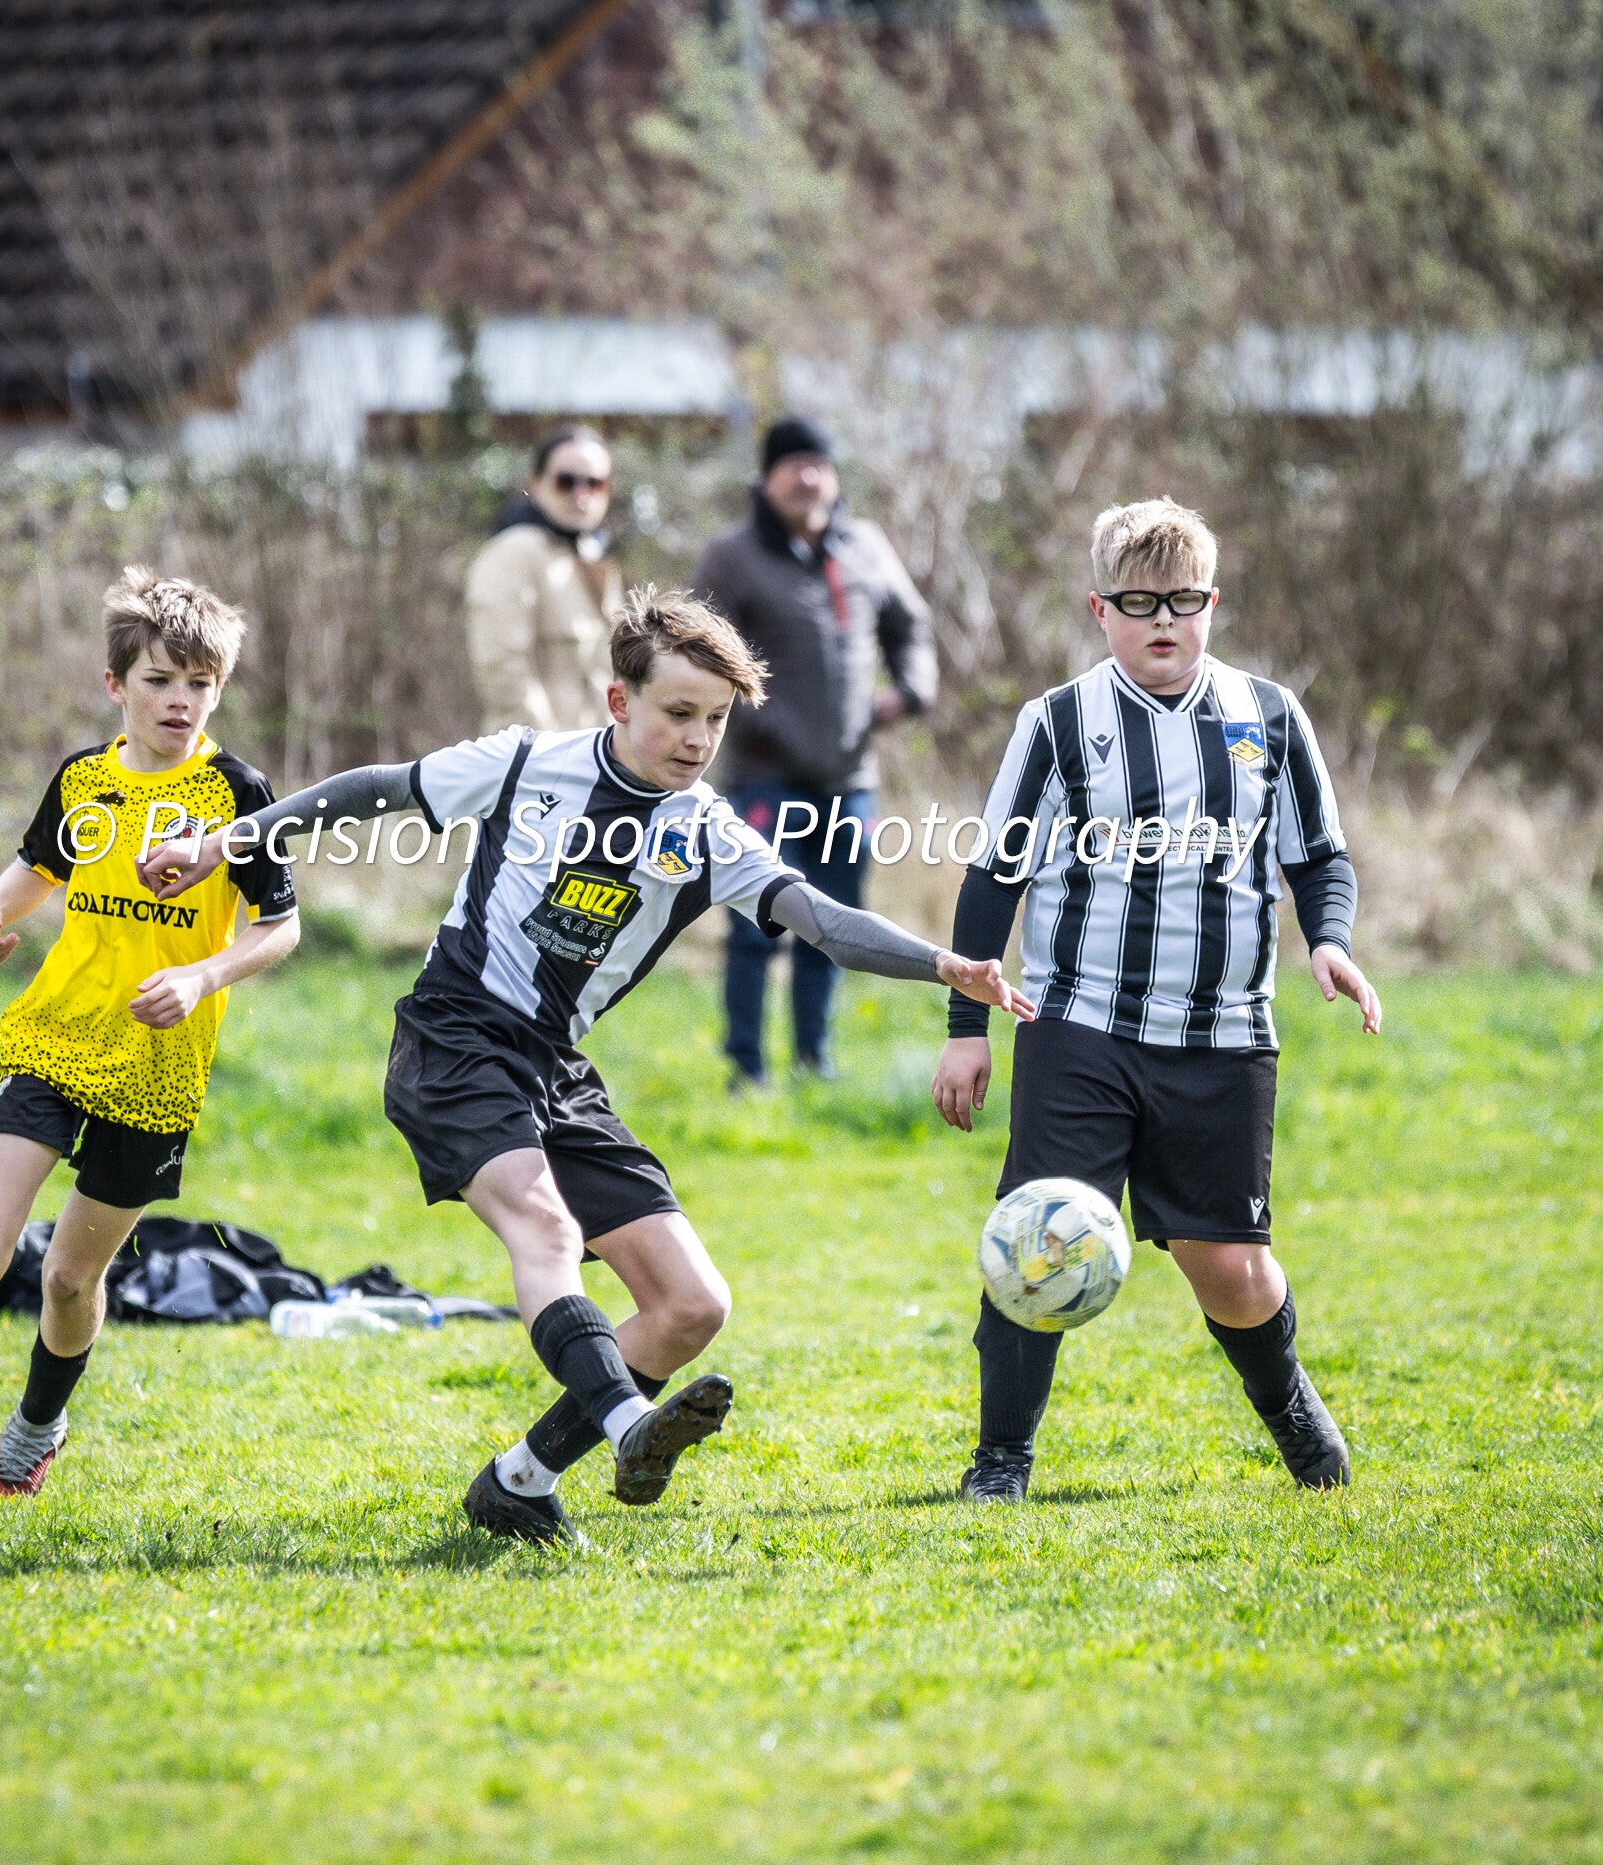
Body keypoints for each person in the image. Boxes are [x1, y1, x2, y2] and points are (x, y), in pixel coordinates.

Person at [137, 586, 1030, 1547]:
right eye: (677, 713)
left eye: (716, 721)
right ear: (619, 703)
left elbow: (820, 920)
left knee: (692, 1306)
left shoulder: (706, 832)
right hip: (456, 1037)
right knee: (545, 1227)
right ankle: (628, 1425)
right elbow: (371, 790)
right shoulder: (525, 764)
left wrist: (941, 963)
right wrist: (222, 842)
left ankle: (518, 1484)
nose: (697, 739)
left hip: (555, 1068)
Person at [0, 570, 300, 1503]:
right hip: (51, 1039)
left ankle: (36, 1429)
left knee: (72, 1281)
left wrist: (202, 975)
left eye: (201, 684)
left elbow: (280, 926)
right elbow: (39, 865)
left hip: (159, 1067)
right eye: (161, 680)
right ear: (117, 685)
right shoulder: (84, 778)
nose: (181, 701)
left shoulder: (239, 794)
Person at [931, 497, 1381, 1502]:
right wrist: (967, 1028)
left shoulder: (1268, 716)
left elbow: (1317, 857)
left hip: (1220, 1036)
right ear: (1100, 608)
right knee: (1034, 1239)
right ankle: (999, 1459)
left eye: (1182, 599)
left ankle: (1297, 1417)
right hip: (1075, 1023)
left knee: (1228, 1267)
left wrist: (1331, 942)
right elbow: (991, 875)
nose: (1162, 619)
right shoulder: (1055, 722)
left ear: (1212, 602)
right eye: (1139, 601)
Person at [691, 416, 937, 1088]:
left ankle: (814, 1061)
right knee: (755, 925)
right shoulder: (731, 557)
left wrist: (909, 692)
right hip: (765, 780)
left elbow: (910, 626)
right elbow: (694, 650)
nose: (807, 477)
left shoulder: (866, 547)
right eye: (791, 465)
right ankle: (746, 1070)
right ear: (765, 481)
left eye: (817, 464)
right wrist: (743, 717)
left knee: (834, 925)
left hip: (849, 779)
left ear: (833, 475)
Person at [465, 426, 623, 733]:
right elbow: (502, 671)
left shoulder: (595, 556)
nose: (581, 494)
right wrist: (543, 755)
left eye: (595, 483)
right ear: (535, 485)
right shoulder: (513, 553)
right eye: (566, 482)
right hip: (536, 762)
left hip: (594, 759)